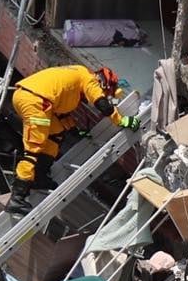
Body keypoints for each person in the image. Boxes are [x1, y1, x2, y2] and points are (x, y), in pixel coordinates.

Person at [8, 64, 139, 212]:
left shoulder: (76, 74)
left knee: (55, 134)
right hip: (36, 102)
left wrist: (76, 131)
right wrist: (122, 120)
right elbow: (102, 104)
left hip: (34, 99)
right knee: (33, 150)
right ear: (104, 84)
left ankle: (39, 178)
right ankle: (17, 197)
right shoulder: (89, 80)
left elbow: (61, 113)